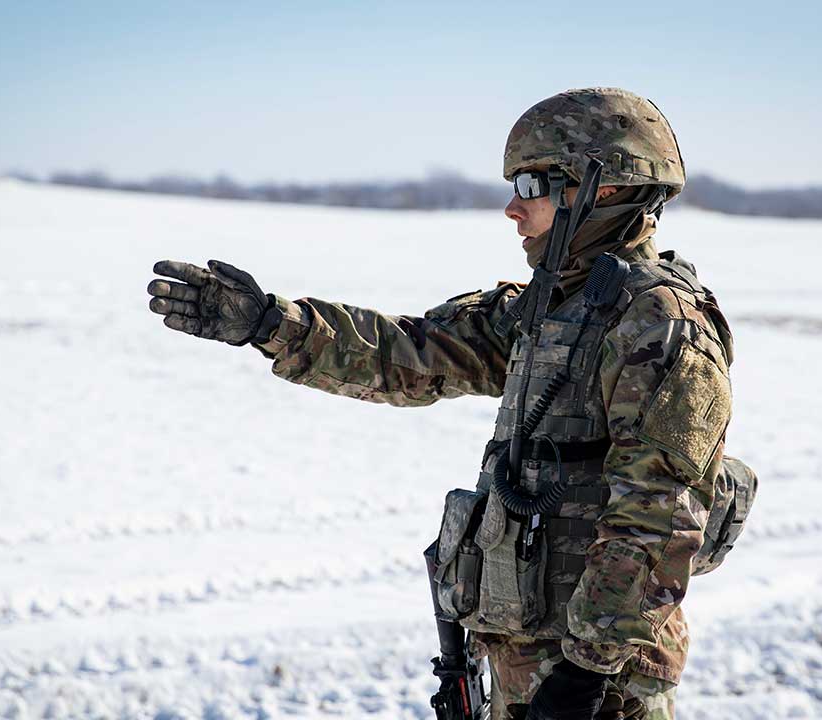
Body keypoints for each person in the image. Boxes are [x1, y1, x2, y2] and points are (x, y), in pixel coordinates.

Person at [147, 88, 737, 720]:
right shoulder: (548, 307)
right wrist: (272, 323)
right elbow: (415, 353)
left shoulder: (659, 323)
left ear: (608, 188)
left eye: (534, 184)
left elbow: (658, 514)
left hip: (599, 683)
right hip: (521, 659)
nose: (514, 208)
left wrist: (584, 676)